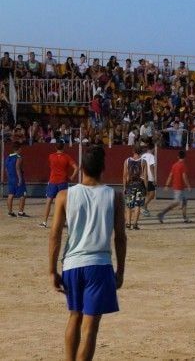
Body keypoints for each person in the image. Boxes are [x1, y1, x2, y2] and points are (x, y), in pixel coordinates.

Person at [48, 145, 126, 361]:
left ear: (81, 168)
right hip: (100, 265)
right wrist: (120, 271)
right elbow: (120, 237)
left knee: (74, 316)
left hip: (72, 264)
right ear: (103, 168)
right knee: (90, 327)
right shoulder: (114, 196)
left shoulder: (64, 195)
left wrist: (52, 270)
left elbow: (55, 235)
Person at [40, 141, 79, 228]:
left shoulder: (51, 156)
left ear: (55, 147)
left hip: (53, 181)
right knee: (65, 203)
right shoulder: (67, 157)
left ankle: (44, 222)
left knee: (48, 201)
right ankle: (64, 222)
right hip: (63, 181)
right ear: (63, 147)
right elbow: (76, 168)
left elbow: (51, 166)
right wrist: (72, 177)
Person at [157, 150, 192, 224]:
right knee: (176, 202)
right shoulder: (183, 165)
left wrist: (166, 185)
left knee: (185, 201)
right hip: (179, 187)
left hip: (177, 186)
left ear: (178, 157)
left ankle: (185, 218)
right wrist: (188, 186)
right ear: (185, 157)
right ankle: (162, 213)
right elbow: (184, 177)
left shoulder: (174, 165)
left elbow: (170, 175)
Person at [123, 145, 148, 230]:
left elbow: (124, 175)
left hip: (130, 185)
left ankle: (128, 223)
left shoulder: (127, 161)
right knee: (138, 205)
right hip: (140, 186)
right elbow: (145, 176)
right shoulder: (143, 161)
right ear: (141, 152)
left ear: (133, 151)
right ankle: (135, 224)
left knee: (129, 205)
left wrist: (124, 187)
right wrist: (146, 187)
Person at [5, 142, 28, 217]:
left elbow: (6, 169)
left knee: (10, 195)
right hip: (17, 178)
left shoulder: (8, 157)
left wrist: (9, 177)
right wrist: (20, 179)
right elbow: (17, 168)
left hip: (11, 178)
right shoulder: (19, 157)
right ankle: (20, 212)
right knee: (22, 195)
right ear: (19, 149)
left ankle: (10, 212)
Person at [140, 142, 156, 217]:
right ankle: (144, 206)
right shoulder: (152, 156)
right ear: (152, 149)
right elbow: (151, 167)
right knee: (152, 194)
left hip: (142, 177)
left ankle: (145, 207)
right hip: (149, 177)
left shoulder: (143, 155)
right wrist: (154, 177)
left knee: (146, 194)